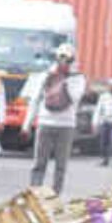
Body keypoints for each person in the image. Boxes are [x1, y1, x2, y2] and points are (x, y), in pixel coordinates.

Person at [25, 43, 86, 194]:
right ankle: (34, 193)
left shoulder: (77, 78)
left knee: (61, 165)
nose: (64, 62)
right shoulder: (45, 75)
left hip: (66, 125)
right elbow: (35, 99)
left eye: (68, 60)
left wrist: (64, 79)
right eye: (61, 58)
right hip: (45, 122)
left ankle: (55, 195)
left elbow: (75, 98)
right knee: (39, 163)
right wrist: (27, 123)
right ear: (56, 58)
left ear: (73, 60)